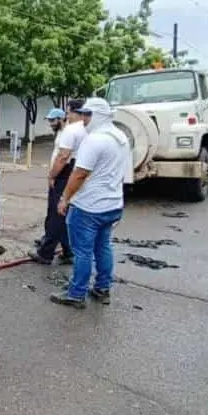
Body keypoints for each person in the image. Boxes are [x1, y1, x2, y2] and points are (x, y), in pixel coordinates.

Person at [51, 97, 131, 309]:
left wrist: (64, 198)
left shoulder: (94, 140)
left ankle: (76, 293)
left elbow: (79, 174)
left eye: (87, 114)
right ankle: (102, 288)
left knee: (83, 252)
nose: (83, 118)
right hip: (112, 204)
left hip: (89, 206)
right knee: (103, 246)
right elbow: (125, 173)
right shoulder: (120, 137)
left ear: (98, 116)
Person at [29, 100, 87, 265]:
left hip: (65, 172)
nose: (67, 116)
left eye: (68, 113)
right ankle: (68, 250)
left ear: (75, 112)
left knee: (57, 213)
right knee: (63, 213)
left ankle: (46, 253)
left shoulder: (71, 130)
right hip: (73, 171)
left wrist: (52, 175)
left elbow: (63, 157)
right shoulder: (83, 129)